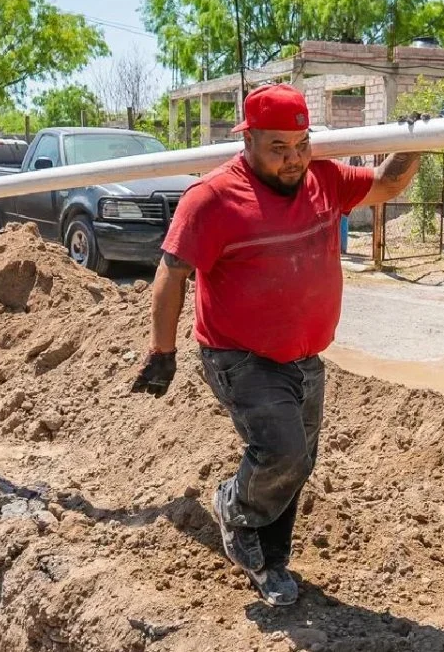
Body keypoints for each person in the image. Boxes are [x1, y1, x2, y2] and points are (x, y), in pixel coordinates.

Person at [131, 84, 421, 606]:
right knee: (282, 451)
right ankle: (233, 508)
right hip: (239, 356)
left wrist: (419, 137)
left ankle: (270, 561)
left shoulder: (323, 179)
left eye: (302, 145)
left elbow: (386, 184)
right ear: (249, 141)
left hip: (304, 355)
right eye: (279, 148)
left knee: (298, 461)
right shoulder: (213, 198)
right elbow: (171, 275)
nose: (294, 160)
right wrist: (162, 351)